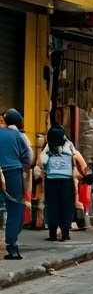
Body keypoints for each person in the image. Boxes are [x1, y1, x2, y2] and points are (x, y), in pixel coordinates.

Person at [38, 126, 88, 243]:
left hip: (51, 181)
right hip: (67, 181)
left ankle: (52, 234)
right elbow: (82, 164)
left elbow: (40, 163)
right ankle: (65, 234)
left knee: (52, 207)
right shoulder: (69, 146)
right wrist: (84, 174)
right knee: (66, 207)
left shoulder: (48, 148)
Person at [0, 110, 32, 259]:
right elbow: (27, 157)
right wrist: (24, 175)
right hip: (13, 172)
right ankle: (12, 247)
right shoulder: (18, 135)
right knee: (15, 208)